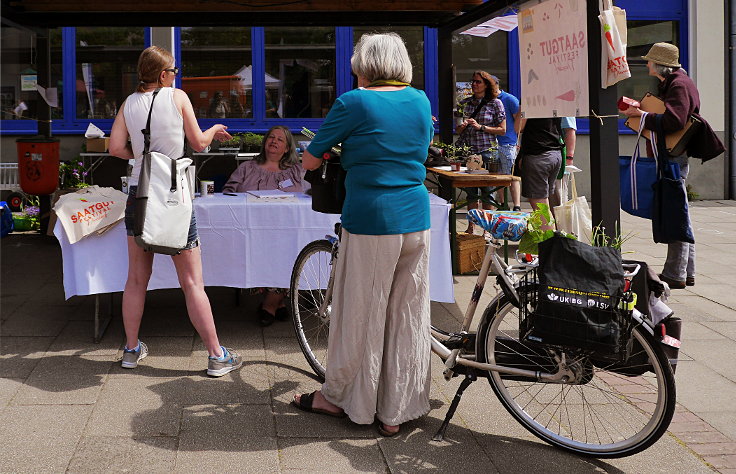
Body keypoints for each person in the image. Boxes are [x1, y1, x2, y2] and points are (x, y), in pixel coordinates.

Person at [292, 32, 434, 438]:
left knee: (360, 315)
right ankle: (395, 410)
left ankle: (338, 399)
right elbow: (417, 149)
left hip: (372, 217)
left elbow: (310, 156)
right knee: (406, 314)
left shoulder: (353, 102)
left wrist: (346, 153)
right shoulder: (421, 99)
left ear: (366, 65)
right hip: (415, 215)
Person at [109, 46, 242, 377]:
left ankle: (130, 350)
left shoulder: (128, 103)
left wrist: (141, 155)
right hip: (171, 193)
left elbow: (114, 148)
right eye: (174, 70)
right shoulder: (176, 97)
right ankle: (216, 356)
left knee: (136, 280)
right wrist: (213, 131)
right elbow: (198, 143)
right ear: (163, 74)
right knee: (192, 282)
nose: (176, 75)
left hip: (140, 193)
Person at [623, 42, 698, 289]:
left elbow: (675, 120)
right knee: (679, 212)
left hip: (673, 156)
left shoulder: (678, 84)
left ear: (660, 65)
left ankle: (676, 274)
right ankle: (685, 272)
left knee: (677, 214)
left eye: (649, 61)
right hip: (671, 155)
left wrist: (642, 116)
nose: (646, 65)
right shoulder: (676, 82)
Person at [222, 125, 304, 326]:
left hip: (288, 230)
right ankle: (278, 303)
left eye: (280, 139)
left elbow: (308, 196)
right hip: (252, 230)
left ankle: (270, 304)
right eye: (271, 137)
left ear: (287, 148)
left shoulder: (296, 171)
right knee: (263, 250)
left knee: (289, 250)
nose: (274, 141)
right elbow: (228, 193)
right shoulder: (247, 167)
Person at [455, 70, 506, 234]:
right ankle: (471, 227)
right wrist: (462, 127)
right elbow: (457, 129)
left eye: (478, 82)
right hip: (470, 153)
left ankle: (487, 229)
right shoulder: (465, 103)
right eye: (473, 81)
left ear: (486, 84)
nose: (474, 85)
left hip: (488, 152)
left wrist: (481, 127)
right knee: (471, 193)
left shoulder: (495, 103)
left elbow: (502, 130)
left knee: (488, 193)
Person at [515, 116, 564, 230]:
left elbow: (518, 127)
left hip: (538, 155)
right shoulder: (553, 99)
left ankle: (551, 244)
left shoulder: (531, 100)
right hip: (555, 153)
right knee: (544, 204)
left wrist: (521, 109)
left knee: (541, 209)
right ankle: (553, 238)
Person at [489, 75, 521, 211]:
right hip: (492, 144)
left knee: (511, 175)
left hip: (508, 143)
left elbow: (519, 118)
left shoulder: (509, 99)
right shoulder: (487, 100)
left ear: (496, 84)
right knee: (498, 176)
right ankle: (503, 204)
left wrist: (516, 137)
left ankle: (517, 205)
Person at [549, 117, 577, 209]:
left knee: (560, 197)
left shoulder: (564, 107)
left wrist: (569, 158)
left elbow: (570, 131)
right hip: (545, 157)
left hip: (559, 159)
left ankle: (560, 222)